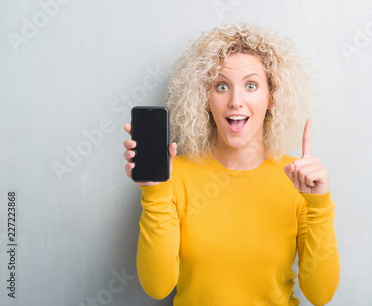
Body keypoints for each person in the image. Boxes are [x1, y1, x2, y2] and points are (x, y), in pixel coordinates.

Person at [123, 23, 340, 305]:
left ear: (271, 97)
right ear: (205, 98)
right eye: (221, 86)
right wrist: (154, 193)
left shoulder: (298, 180)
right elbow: (157, 287)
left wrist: (319, 206)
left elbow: (320, 295)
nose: (236, 101)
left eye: (251, 86)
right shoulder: (174, 177)